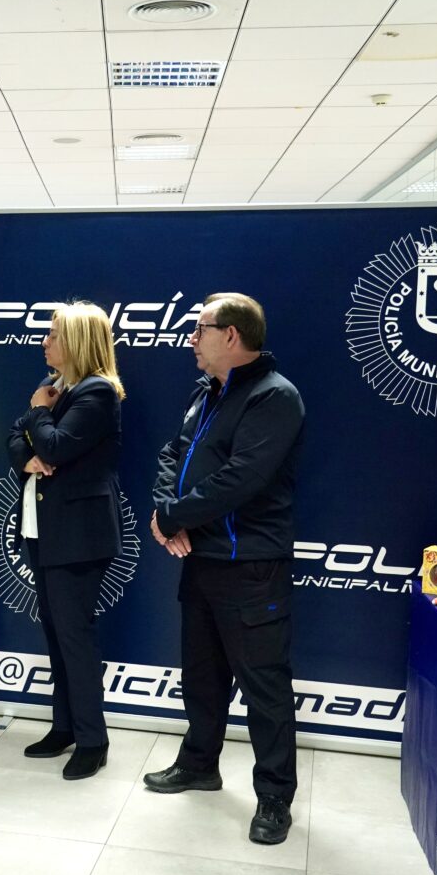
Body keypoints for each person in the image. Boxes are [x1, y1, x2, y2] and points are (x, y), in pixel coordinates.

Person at [146, 292, 305, 846]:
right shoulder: (206, 392)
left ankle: (274, 797)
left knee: (264, 687)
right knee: (202, 675)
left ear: (231, 335)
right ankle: (199, 764)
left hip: (250, 565)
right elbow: (171, 455)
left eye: (200, 329)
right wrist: (166, 512)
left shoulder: (274, 396)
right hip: (201, 558)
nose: (192, 339)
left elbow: (242, 478)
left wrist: (172, 516)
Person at [6, 302, 124, 780]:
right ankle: (65, 726)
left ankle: (93, 740)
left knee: (75, 638)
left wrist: (39, 414)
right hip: (45, 530)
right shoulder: (56, 387)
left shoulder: (97, 392)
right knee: (57, 635)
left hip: (78, 536)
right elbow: (15, 436)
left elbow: (54, 444)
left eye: (53, 334)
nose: (45, 341)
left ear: (77, 341)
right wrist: (27, 457)